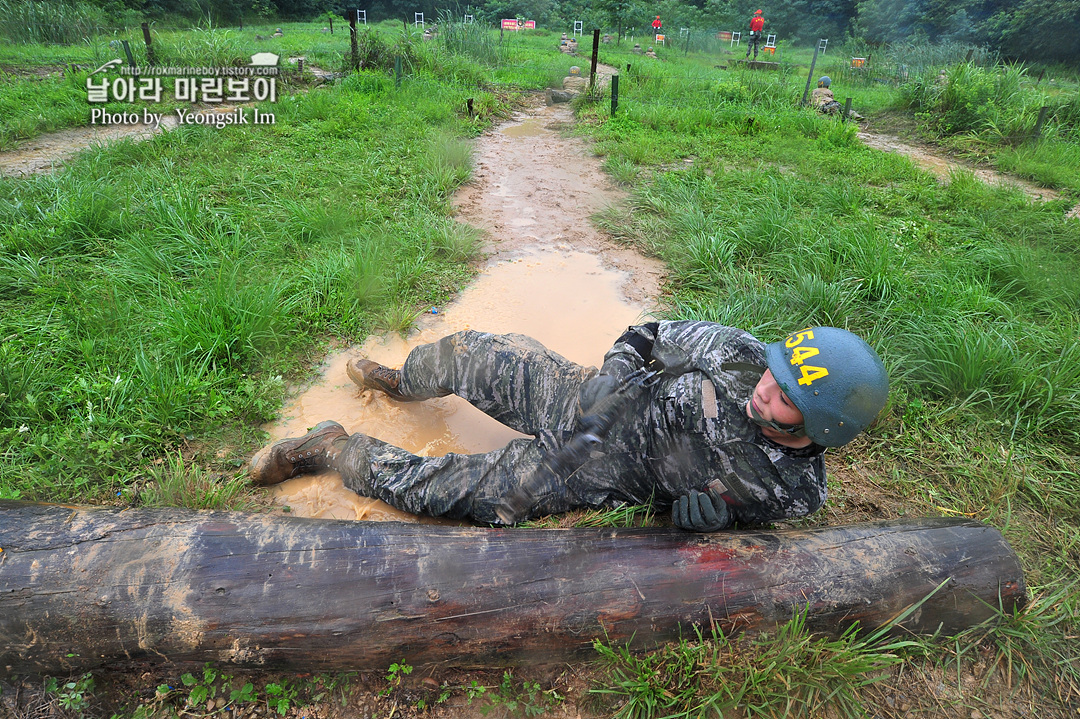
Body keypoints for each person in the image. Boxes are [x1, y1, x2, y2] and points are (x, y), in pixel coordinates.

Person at [249, 323, 889, 532]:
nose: (765, 388)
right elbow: (647, 334)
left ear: (821, 428)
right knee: (467, 354)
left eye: (785, 400)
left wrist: (708, 524)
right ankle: (398, 381)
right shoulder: (739, 352)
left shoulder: (791, 491)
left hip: (597, 472)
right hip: (586, 399)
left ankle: (333, 447)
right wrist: (611, 375)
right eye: (775, 373)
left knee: (444, 493)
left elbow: (738, 530)